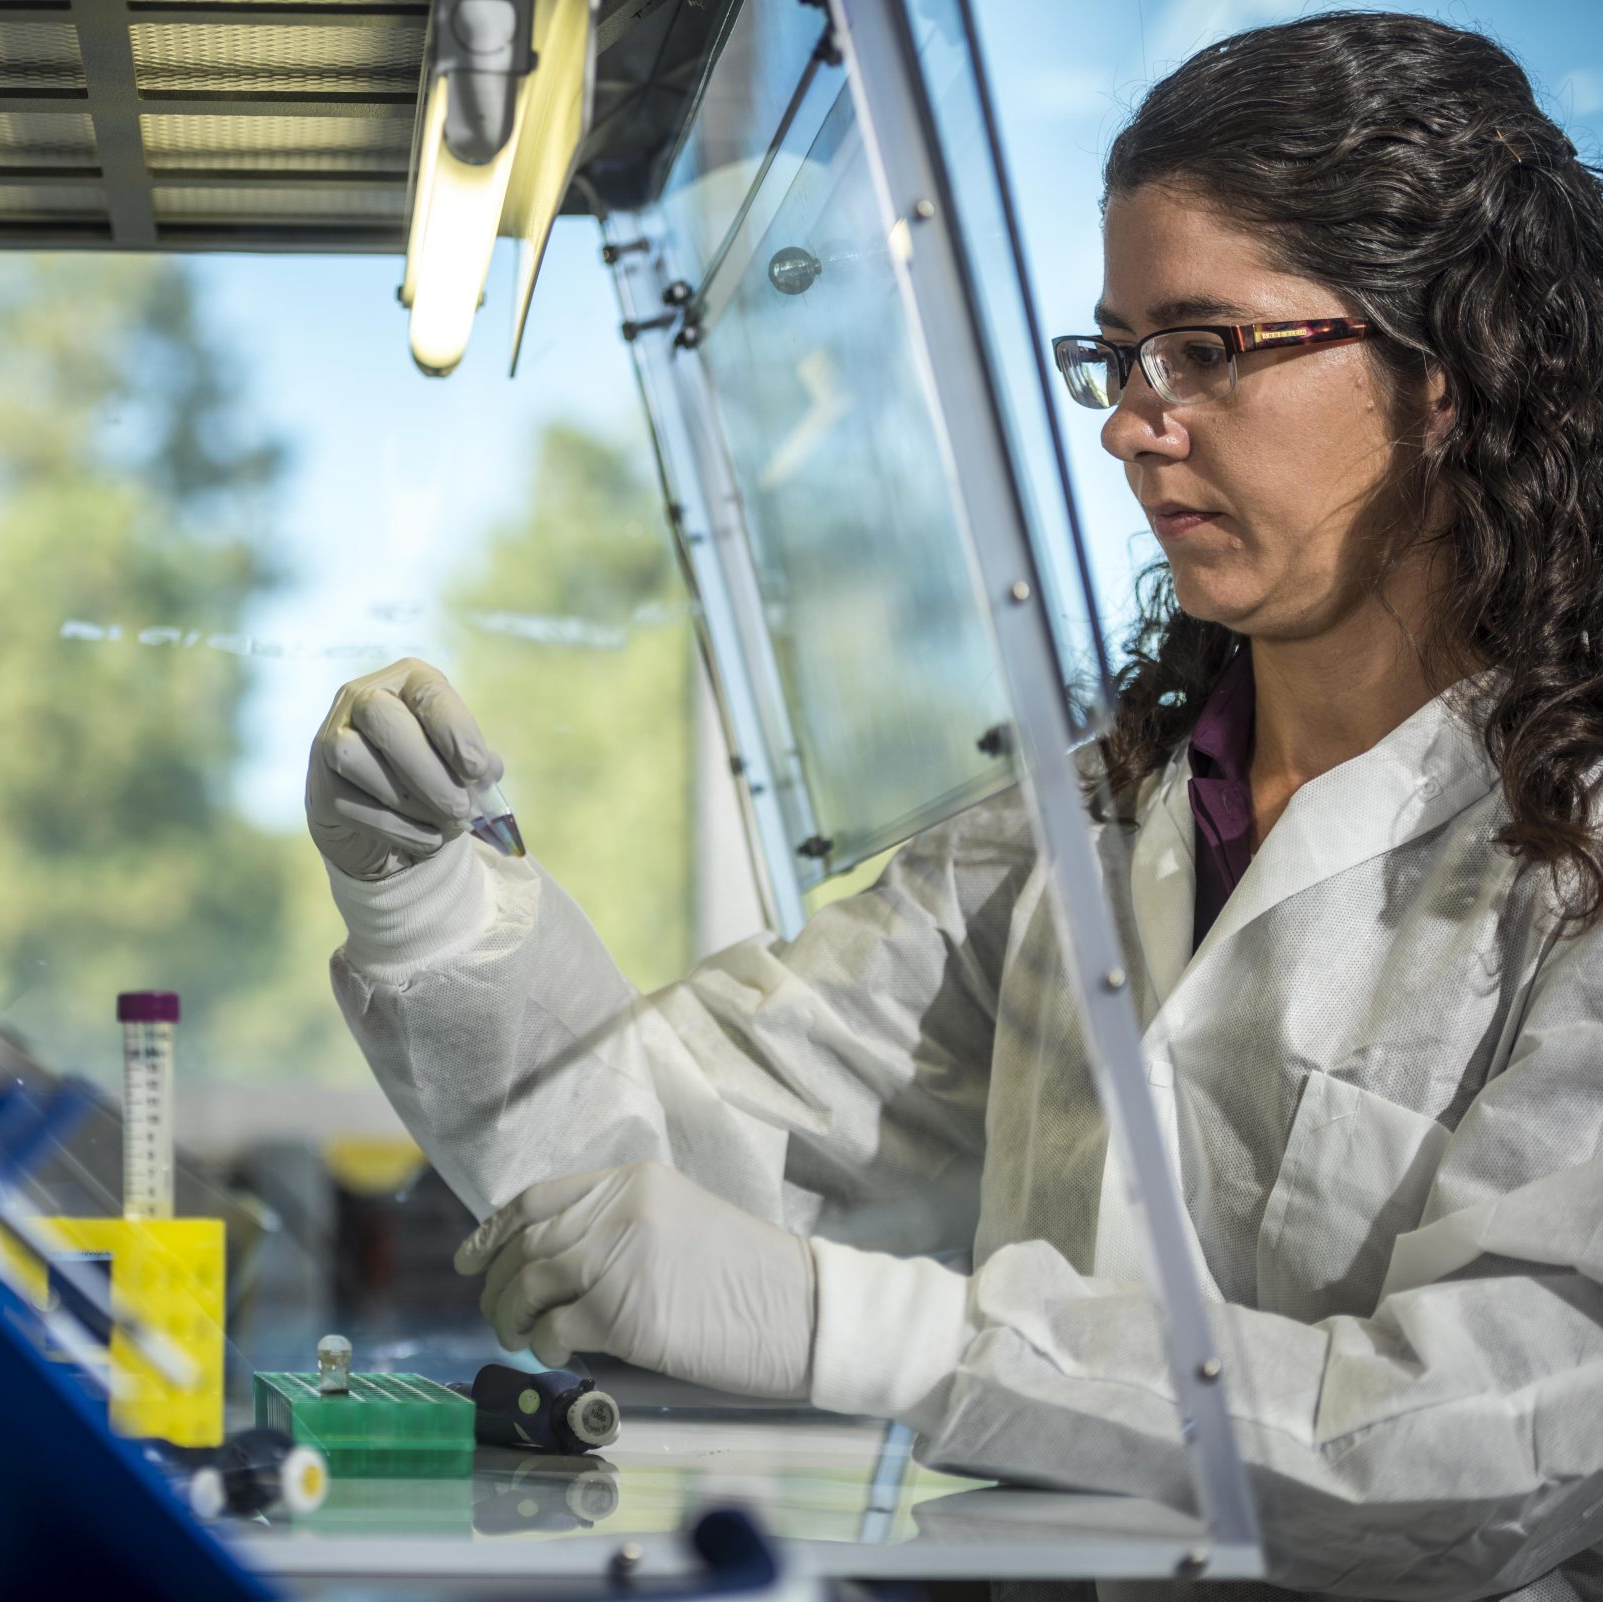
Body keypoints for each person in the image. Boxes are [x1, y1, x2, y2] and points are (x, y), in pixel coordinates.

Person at [304, 12, 1603, 1599]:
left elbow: (1495, 1438)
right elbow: (638, 1151)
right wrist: (429, 902)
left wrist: (872, 1328)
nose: (1133, 420)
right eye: (1115, 355)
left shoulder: (1573, 857)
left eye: (1211, 348)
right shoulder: (1092, 825)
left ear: (1447, 372)